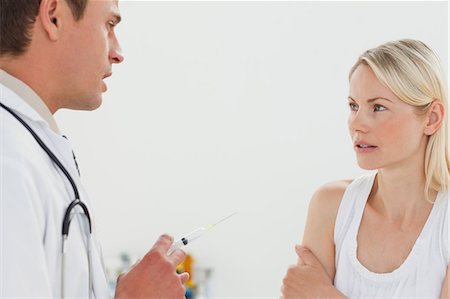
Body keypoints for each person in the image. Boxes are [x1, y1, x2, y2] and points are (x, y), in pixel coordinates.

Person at [0, 0, 189, 298]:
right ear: (53, 16)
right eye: (109, 25)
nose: (118, 53)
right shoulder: (7, 156)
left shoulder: (29, 141)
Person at [281, 39, 449, 298]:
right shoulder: (332, 206)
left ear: (432, 117)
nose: (356, 124)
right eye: (353, 106)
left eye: (378, 107)